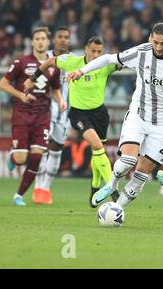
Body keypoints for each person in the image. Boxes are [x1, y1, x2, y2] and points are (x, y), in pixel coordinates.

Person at [67, 22, 163, 210]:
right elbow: (107, 59)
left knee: (142, 173)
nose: (159, 47)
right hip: (138, 116)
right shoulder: (140, 52)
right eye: (155, 42)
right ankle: (111, 185)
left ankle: (117, 208)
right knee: (127, 161)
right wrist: (81, 71)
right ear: (150, 39)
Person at [24, 36, 121, 207]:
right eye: (93, 51)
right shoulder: (71, 61)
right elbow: (48, 62)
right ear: (86, 49)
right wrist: (32, 79)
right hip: (78, 114)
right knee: (98, 147)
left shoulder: (106, 64)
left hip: (100, 114)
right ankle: (113, 190)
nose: (96, 55)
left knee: (98, 151)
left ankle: (94, 186)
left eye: (100, 52)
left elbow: (124, 62)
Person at [0, 27, 66, 206]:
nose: (41, 41)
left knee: (37, 157)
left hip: (42, 116)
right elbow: (2, 84)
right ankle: (14, 157)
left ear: (48, 42)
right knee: (21, 159)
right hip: (22, 114)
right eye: (37, 39)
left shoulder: (53, 66)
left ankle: (18, 196)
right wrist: (21, 95)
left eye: (43, 38)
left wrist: (60, 101)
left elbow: (56, 89)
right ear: (32, 42)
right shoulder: (21, 62)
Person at [31, 26, 71, 204]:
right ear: (53, 39)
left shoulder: (75, 60)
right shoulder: (44, 57)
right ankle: (38, 187)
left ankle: (46, 188)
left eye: (66, 37)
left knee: (55, 150)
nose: (63, 40)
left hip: (64, 112)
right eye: (60, 36)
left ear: (69, 41)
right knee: (41, 148)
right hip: (43, 110)